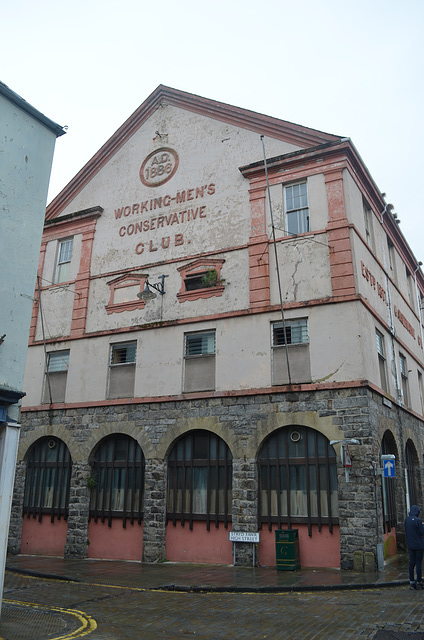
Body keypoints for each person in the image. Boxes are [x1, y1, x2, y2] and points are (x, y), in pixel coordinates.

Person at [404, 505, 424, 589]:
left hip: (411, 545)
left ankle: (412, 583)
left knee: (412, 563)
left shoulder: (406, 520)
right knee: (418, 563)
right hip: (419, 545)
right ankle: (419, 582)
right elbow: (421, 532)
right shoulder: (418, 520)